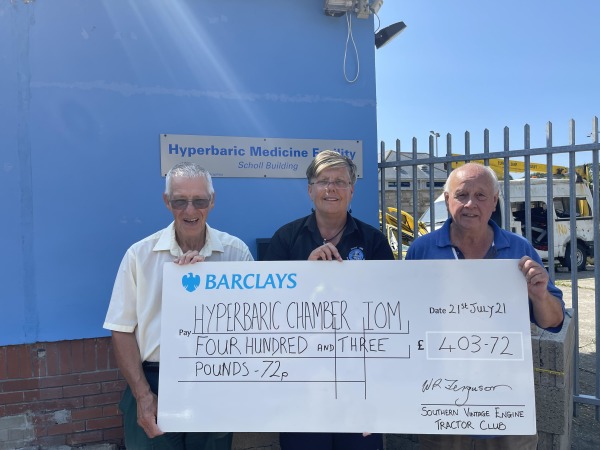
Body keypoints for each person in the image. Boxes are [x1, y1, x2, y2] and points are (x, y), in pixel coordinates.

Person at [406, 162, 565, 450]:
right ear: (446, 199)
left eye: (481, 196)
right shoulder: (421, 250)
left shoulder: (520, 249)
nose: (470, 204)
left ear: (494, 202)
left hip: (505, 404)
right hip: (442, 403)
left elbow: (553, 322)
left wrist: (540, 296)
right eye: (462, 194)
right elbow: (405, 319)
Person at [104, 162, 253, 450]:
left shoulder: (236, 253)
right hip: (154, 382)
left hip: (215, 380)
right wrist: (143, 395)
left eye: (199, 201)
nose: (190, 210)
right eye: (179, 201)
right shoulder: (139, 256)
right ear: (166, 201)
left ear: (212, 201)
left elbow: (253, 325)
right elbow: (121, 329)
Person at [264, 150, 394, 450]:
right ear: (310, 190)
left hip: (359, 383)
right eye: (323, 181)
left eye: (340, 181)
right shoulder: (286, 239)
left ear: (352, 190)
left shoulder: (373, 241)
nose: (331, 188)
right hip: (301, 384)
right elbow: (269, 312)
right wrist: (306, 277)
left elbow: (390, 310)